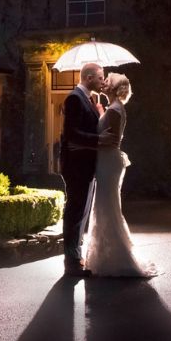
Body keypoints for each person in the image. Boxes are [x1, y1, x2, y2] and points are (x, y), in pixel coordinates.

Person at [85, 72, 159, 277]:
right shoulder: (112, 108)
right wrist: (100, 111)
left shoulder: (116, 109)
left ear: (115, 89)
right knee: (104, 206)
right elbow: (107, 129)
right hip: (106, 161)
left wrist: (89, 140)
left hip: (109, 161)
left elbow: (113, 140)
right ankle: (104, 255)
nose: (104, 82)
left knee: (107, 207)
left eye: (108, 81)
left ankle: (116, 258)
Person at [60, 62, 117, 277]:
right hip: (76, 166)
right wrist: (99, 139)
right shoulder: (74, 98)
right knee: (75, 212)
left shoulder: (90, 100)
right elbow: (71, 134)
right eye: (100, 77)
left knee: (82, 212)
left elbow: (86, 126)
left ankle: (77, 256)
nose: (103, 81)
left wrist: (99, 113)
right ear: (90, 77)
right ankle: (71, 262)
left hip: (87, 166)